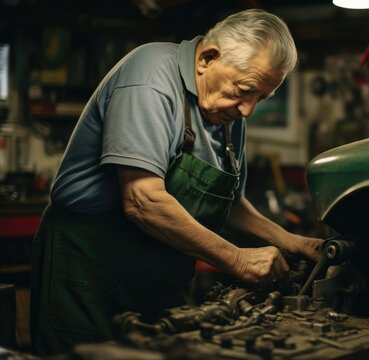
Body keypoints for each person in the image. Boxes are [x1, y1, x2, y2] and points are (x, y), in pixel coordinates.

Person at [30, 9, 324, 356]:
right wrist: (238, 259)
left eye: (260, 98)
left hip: (160, 270)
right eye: (245, 90)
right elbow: (143, 200)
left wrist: (292, 241)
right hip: (90, 266)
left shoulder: (228, 112)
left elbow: (229, 205)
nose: (248, 110)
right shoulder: (151, 76)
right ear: (207, 58)